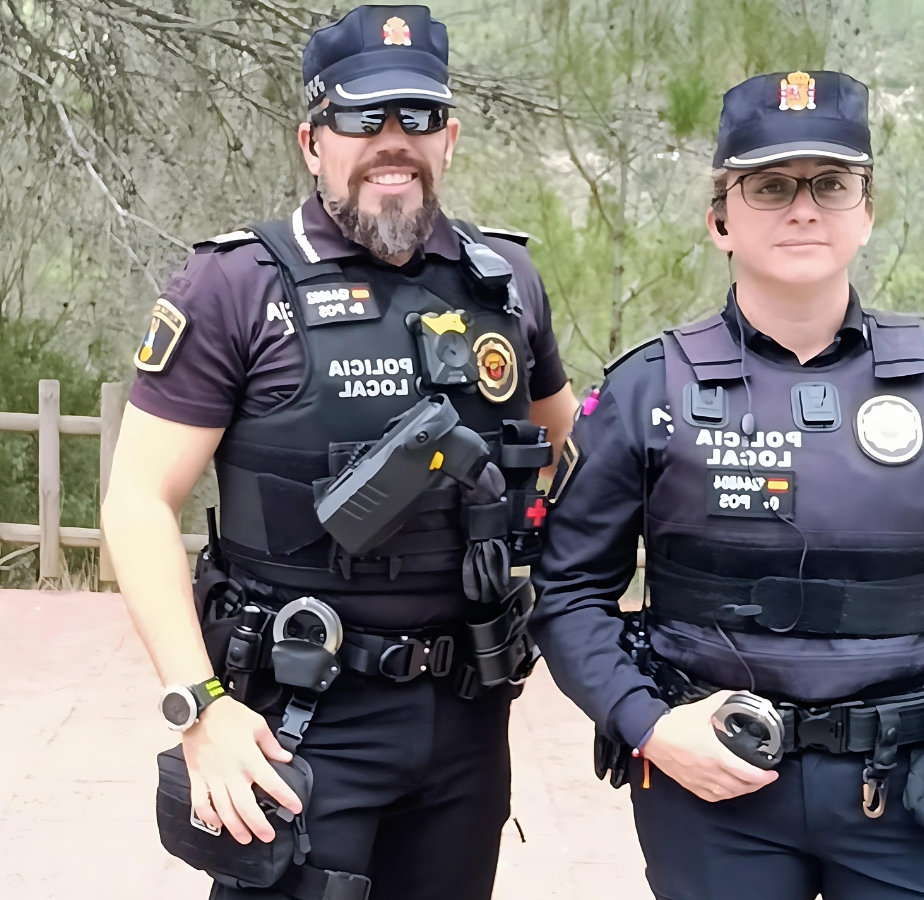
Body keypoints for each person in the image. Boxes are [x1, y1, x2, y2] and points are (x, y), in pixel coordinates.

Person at [530, 70, 924, 900]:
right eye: (770, 186)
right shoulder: (648, 389)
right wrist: (648, 726)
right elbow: (568, 587)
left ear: (866, 210)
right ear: (720, 218)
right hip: (714, 786)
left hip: (915, 789)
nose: (804, 208)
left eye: (831, 184)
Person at [102, 6, 576, 899]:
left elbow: (562, 458)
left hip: (467, 721)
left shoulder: (506, 285)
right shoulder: (236, 286)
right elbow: (135, 502)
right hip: (295, 718)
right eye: (362, 120)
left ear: (451, 138)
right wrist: (197, 709)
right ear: (313, 139)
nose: (392, 144)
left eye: (418, 119)